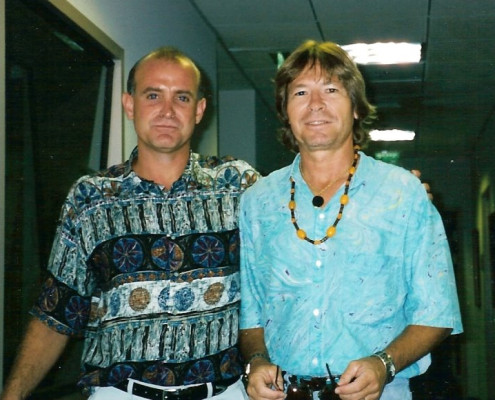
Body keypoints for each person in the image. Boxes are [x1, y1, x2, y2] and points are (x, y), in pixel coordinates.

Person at [1, 46, 260, 400]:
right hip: (120, 393)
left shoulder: (238, 186)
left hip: (222, 393)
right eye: (153, 95)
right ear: (129, 104)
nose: (167, 110)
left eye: (181, 97)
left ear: (199, 110)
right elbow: (57, 311)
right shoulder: (91, 200)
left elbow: (287, 278)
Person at [238, 40, 462, 400]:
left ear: (356, 107)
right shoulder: (256, 203)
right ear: (285, 111)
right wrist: (258, 359)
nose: (315, 104)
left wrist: (384, 363)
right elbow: (251, 317)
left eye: (331, 89)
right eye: (300, 92)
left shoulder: (403, 193)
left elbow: (438, 313)